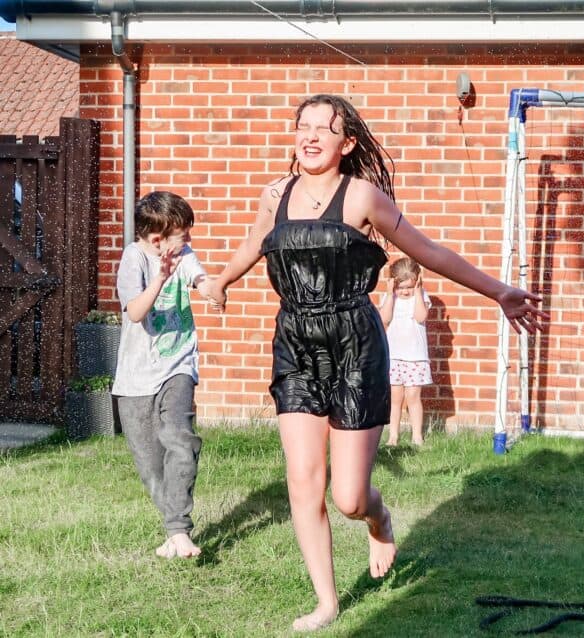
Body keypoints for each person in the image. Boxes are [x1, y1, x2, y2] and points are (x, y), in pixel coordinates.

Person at [207, 94, 547, 632]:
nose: (311, 136)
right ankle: (327, 602)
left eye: (325, 128)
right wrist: (222, 281)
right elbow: (255, 243)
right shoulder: (275, 195)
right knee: (302, 480)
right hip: (295, 341)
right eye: (304, 127)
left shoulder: (362, 196)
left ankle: (378, 515)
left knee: (347, 496)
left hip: (354, 344)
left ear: (347, 144)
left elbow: (429, 251)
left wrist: (498, 291)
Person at [112, 191, 218, 560]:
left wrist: (211, 290)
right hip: (136, 378)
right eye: (182, 236)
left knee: (180, 439)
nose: (188, 242)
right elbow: (137, 312)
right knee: (151, 468)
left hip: (178, 366)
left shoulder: (183, 256)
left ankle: (179, 528)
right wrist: (159, 277)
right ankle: (173, 533)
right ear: (158, 240)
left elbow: (199, 278)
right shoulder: (134, 258)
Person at [379, 256, 432, 446]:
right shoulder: (390, 298)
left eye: (409, 287)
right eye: (401, 287)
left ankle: (417, 435)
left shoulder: (421, 296)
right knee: (395, 399)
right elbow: (384, 319)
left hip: (415, 357)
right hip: (394, 357)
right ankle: (393, 435)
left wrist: (418, 291)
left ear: (416, 282)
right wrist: (389, 293)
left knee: (413, 397)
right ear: (393, 284)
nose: (405, 291)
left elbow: (420, 317)